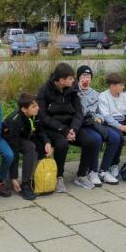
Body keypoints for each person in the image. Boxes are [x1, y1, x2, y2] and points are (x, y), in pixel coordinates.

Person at [37, 62, 101, 192]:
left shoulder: (72, 90)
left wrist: (73, 129)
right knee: (62, 144)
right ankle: (59, 177)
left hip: (70, 127)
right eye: (71, 78)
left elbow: (79, 112)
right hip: (52, 128)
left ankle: (81, 175)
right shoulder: (44, 91)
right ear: (61, 80)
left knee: (91, 141)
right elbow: (43, 117)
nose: (74, 81)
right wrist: (64, 130)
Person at [77, 65, 122, 185]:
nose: (86, 78)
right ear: (78, 78)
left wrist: (99, 118)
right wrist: (80, 91)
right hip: (82, 125)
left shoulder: (95, 94)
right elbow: (79, 112)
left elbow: (100, 112)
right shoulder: (74, 92)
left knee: (115, 137)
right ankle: (93, 171)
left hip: (95, 124)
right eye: (83, 76)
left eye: (88, 76)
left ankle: (104, 170)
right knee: (96, 139)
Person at [3, 93, 53, 200]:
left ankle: (31, 180)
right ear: (24, 109)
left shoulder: (35, 114)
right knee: (30, 147)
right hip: (9, 139)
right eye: (34, 106)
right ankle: (20, 182)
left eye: (37, 105)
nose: (38, 108)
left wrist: (47, 142)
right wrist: (14, 177)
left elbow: (40, 130)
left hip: (24, 137)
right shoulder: (15, 121)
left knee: (38, 147)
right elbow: (14, 150)